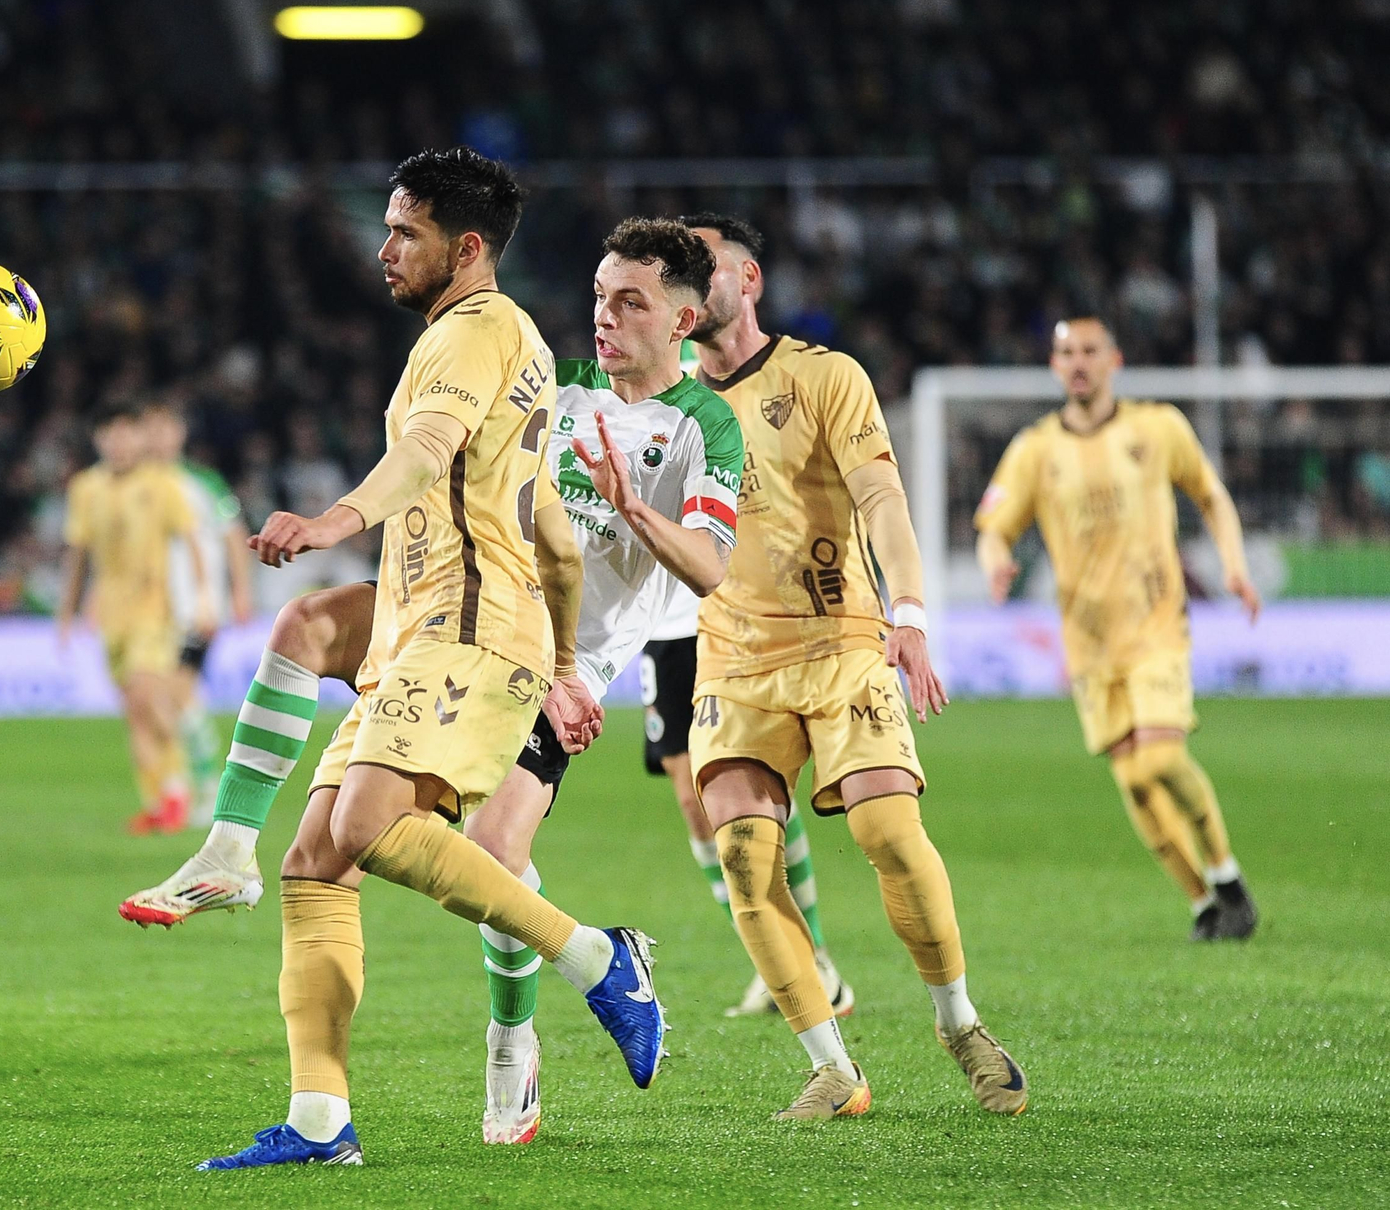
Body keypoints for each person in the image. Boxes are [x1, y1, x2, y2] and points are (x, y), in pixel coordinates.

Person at [124, 216, 744, 1148]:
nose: (605, 319)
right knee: (307, 645)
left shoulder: (705, 426)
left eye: (631, 303)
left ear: (686, 319)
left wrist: (618, 542)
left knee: (485, 852)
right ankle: (312, 1091)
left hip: (547, 648)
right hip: (458, 607)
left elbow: (708, 568)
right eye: (598, 299)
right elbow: (515, 511)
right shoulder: (555, 386)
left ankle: (514, 1032)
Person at [683, 212, 1028, 1120]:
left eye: (703, 264)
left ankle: (960, 1024)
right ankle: (832, 1067)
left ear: (748, 278)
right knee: (746, 866)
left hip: (840, 641)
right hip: (730, 657)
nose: (688, 280)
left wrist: (907, 613)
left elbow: (879, 492)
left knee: (887, 834)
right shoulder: (659, 398)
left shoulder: (824, 376)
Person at [975, 316, 1261, 941]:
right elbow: (994, 526)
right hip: (1089, 641)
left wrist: (1234, 566)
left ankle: (1229, 874)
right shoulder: (1034, 450)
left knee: (1160, 756)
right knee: (1133, 779)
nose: (1078, 362)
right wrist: (996, 559)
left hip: (1157, 624)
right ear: (1054, 366)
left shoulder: (1157, 428)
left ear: (1114, 361)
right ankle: (1206, 905)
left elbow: (1210, 495)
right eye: (1066, 353)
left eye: (1090, 351)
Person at [641, 578, 854, 1019]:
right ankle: (775, 959)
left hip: (731, 611)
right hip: (662, 622)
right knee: (694, 805)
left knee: (753, 783)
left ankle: (811, 957)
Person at [57, 401, 211, 834]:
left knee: (147, 694)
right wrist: (66, 612)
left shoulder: (161, 485)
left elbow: (192, 542)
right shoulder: (86, 488)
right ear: (99, 439)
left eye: (128, 432)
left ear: (139, 438)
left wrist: (201, 597)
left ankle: (180, 787)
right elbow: (79, 557)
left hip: (153, 613)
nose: (120, 441)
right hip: (111, 616)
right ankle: (157, 800)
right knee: (135, 711)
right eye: (111, 432)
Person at [140, 401, 253, 826]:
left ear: (179, 433)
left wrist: (239, 592)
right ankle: (184, 786)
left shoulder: (203, 483)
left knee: (178, 692)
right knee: (161, 698)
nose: (157, 437)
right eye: (149, 428)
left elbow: (233, 534)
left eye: (165, 428)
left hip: (197, 605)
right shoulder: (138, 486)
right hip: (150, 611)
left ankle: (205, 786)